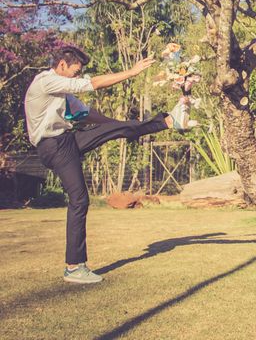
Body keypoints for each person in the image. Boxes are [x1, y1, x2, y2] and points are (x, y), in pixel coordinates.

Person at [24, 46, 192, 284]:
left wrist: (122, 127)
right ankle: (74, 267)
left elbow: (88, 115)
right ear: (62, 65)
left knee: (116, 128)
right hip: (53, 147)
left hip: (67, 141)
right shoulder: (46, 82)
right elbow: (91, 84)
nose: (78, 75)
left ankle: (168, 121)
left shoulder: (61, 93)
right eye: (76, 71)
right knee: (80, 199)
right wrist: (131, 72)